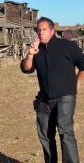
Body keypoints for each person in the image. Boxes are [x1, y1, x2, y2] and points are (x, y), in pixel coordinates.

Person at [20, 16, 84, 163]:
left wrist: (78, 82)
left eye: (44, 30)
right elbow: (26, 69)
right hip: (44, 99)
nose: (41, 33)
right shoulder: (37, 49)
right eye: (38, 30)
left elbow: (83, 64)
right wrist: (30, 55)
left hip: (65, 96)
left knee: (65, 131)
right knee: (45, 135)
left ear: (52, 31)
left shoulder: (67, 46)